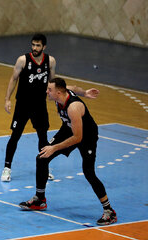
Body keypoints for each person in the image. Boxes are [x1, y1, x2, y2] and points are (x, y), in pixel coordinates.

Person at [19, 77, 117, 226]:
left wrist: (54, 147)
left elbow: (78, 137)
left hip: (86, 136)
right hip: (68, 129)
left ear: (58, 92)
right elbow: (75, 88)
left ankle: (109, 211)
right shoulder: (63, 92)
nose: (47, 92)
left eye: (49, 90)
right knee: (42, 157)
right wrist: (85, 92)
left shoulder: (73, 108)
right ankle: (40, 199)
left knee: (89, 172)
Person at [1, 33, 56, 182]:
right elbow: (13, 79)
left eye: (38, 45)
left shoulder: (50, 61)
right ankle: (7, 168)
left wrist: (56, 97)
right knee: (15, 136)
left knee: (43, 137)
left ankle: (44, 167)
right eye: (33, 45)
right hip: (22, 105)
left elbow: (52, 82)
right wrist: (7, 99)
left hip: (40, 105)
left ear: (44, 46)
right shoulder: (23, 60)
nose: (35, 48)